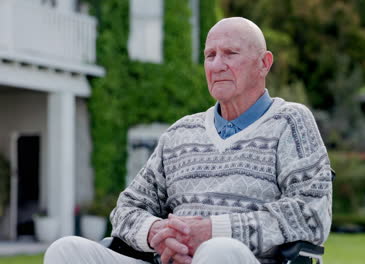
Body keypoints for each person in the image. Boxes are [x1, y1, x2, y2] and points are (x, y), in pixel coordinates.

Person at [44, 17, 333, 264]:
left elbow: (310, 214)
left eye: (230, 53)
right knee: (66, 251)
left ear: (264, 63)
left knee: (219, 251)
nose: (217, 65)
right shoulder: (180, 133)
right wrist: (157, 233)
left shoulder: (290, 121)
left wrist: (212, 232)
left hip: (241, 259)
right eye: (210, 55)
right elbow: (126, 209)